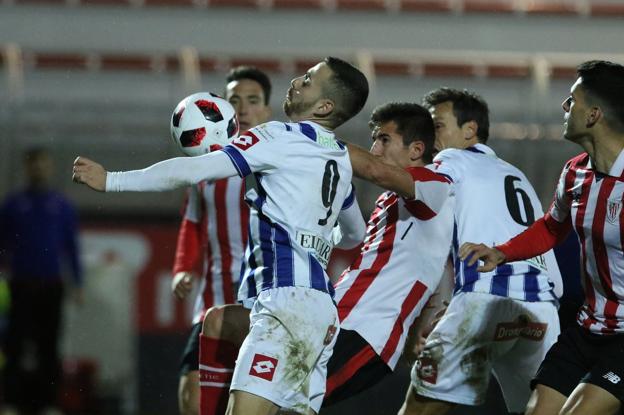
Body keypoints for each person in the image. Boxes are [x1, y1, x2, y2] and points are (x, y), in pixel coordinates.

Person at [72, 56, 369, 415]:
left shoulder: (277, 136)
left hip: (285, 307)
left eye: (307, 80)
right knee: (216, 321)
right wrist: (316, 240)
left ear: (325, 105)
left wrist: (112, 180)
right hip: (320, 312)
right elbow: (355, 233)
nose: (295, 81)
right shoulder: (340, 159)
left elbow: (195, 169)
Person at [346, 88, 562, 415]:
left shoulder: (452, 161)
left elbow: (398, 179)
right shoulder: (516, 174)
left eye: (437, 125)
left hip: (488, 301)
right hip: (543, 314)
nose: (431, 137)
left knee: (419, 407)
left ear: (470, 130)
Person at [459, 60, 624, 415]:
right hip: (586, 328)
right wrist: (501, 252)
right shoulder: (575, 172)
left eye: (571, 100)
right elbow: (552, 226)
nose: (564, 108)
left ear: (594, 114)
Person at [310, 102, 455, 411]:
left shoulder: (435, 185)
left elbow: (373, 169)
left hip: (365, 332)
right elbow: (425, 270)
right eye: (374, 139)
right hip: (338, 319)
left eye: (384, 139)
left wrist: (312, 138)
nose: (374, 149)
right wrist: (416, 333)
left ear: (416, 149)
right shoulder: (393, 199)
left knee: (286, 402)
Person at [171, 66, 272, 415]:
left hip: (261, 304)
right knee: (191, 396)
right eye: (234, 100)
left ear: (267, 111)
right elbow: (193, 222)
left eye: (252, 100)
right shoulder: (206, 163)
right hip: (213, 296)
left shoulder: (276, 163)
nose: (242, 108)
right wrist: (183, 268)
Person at [0, 147, 83, 415]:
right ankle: (11, 402)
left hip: (51, 285)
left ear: (49, 168)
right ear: (28, 168)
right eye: (34, 164)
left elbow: (71, 247)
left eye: (43, 164)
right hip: (21, 285)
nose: (39, 169)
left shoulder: (61, 206)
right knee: (15, 345)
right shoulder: (13, 205)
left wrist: (77, 283)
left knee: (49, 346)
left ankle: (48, 403)